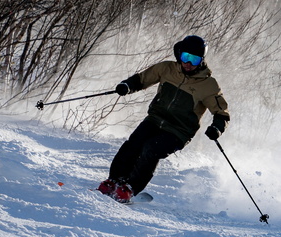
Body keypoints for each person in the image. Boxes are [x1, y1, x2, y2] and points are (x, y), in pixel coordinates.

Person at [98, 35, 230, 203]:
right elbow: (142, 79)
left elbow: (222, 113)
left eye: (194, 60)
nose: (188, 64)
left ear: (201, 61)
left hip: (179, 130)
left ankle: (129, 188)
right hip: (155, 119)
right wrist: (127, 86)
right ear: (180, 55)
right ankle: (114, 181)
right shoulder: (167, 68)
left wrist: (216, 128)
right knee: (134, 144)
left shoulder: (209, 85)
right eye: (186, 57)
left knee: (151, 149)